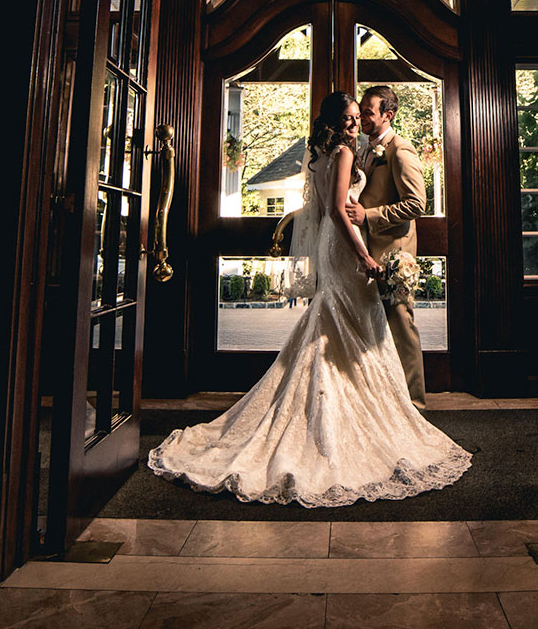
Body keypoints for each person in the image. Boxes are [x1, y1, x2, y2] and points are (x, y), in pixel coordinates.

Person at [147, 92, 470, 506]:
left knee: (341, 323)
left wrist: (364, 226)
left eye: (361, 116)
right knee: (347, 323)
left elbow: (394, 204)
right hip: (347, 245)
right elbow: (338, 209)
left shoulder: (326, 153)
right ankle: (361, 412)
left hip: (341, 244)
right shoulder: (342, 154)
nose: (357, 124)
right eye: (351, 118)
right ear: (336, 122)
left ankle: (387, 406)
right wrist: (364, 254)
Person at [346, 85, 428, 409]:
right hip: (369, 251)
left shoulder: (401, 150)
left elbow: (416, 203)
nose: (363, 117)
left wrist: (370, 215)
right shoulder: (364, 149)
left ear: (388, 115)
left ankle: (416, 404)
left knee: (401, 323)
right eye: (362, 111)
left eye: (368, 112)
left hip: (395, 252)